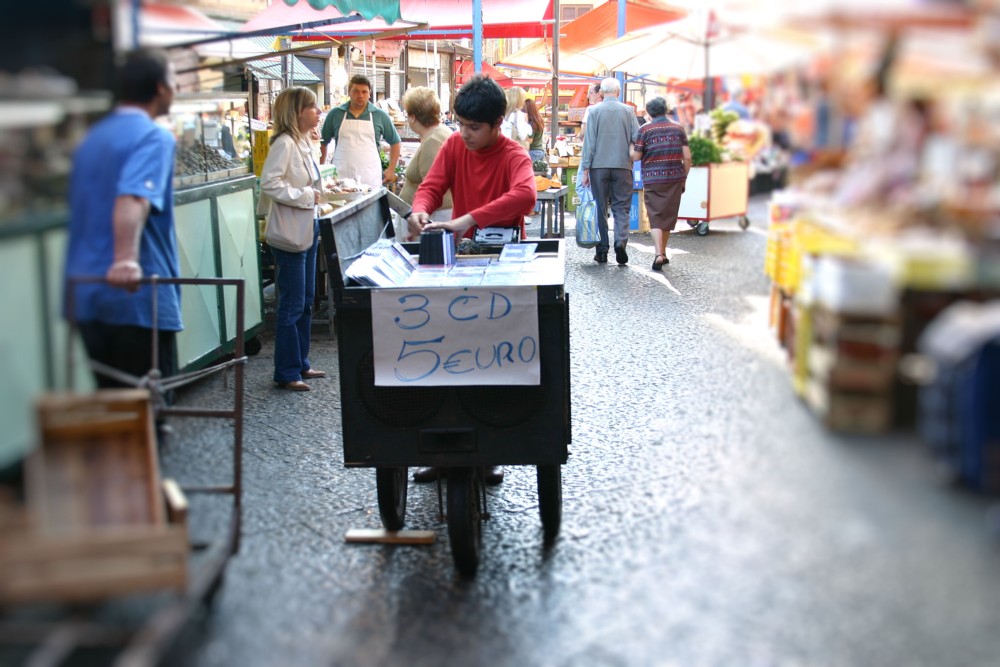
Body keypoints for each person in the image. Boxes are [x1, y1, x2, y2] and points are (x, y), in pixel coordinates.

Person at [407, 74, 537, 485]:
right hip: (461, 263)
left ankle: (491, 448)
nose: (464, 134)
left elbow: (526, 196)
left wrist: (467, 218)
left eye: (474, 127)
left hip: (503, 265)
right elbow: (430, 187)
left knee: (492, 356)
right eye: (460, 124)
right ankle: (444, 448)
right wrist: (420, 210)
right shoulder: (451, 146)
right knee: (447, 349)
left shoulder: (514, 154)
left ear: (498, 123)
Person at [64, 47, 181, 433]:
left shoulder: (93, 138)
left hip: (87, 295)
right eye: (174, 81)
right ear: (161, 88)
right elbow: (133, 198)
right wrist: (125, 259)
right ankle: (142, 493)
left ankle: (116, 492)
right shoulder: (153, 136)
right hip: (135, 296)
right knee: (146, 423)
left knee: (116, 417)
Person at [259, 87, 327, 392]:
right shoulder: (284, 143)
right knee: (292, 302)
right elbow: (269, 183)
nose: (317, 112)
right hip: (290, 232)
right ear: (296, 112)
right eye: (312, 107)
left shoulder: (303, 141)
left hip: (307, 227)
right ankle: (286, 371)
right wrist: (305, 197)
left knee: (307, 300)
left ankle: (301, 363)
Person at [580, 77, 640, 266]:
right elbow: (637, 138)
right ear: (619, 92)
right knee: (621, 207)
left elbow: (589, 142)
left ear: (602, 93)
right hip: (622, 165)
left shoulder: (594, 111)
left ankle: (602, 250)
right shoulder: (629, 111)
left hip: (599, 166)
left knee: (600, 207)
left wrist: (586, 169)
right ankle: (620, 241)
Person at [629, 96, 690, 271]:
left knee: (655, 216)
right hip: (674, 178)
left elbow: (636, 157)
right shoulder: (678, 129)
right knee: (669, 216)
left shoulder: (645, 130)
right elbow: (687, 157)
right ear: (666, 110)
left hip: (653, 179)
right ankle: (663, 252)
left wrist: (631, 146)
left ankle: (658, 254)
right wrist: (683, 176)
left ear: (649, 112)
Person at [319, 74, 401, 190]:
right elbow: (323, 142)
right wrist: (321, 169)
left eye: (364, 92)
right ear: (349, 92)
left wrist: (391, 169)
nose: (360, 95)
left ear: (370, 93)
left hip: (370, 175)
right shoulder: (335, 114)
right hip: (341, 174)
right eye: (356, 91)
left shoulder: (380, 115)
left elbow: (395, 142)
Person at [399, 86, 454, 228]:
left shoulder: (433, 141)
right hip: (429, 217)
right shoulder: (438, 133)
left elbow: (432, 190)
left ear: (412, 117)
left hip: (429, 220)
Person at [500, 86, 532, 150]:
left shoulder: (503, 113)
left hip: (503, 148)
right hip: (514, 150)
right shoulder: (519, 115)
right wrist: (528, 126)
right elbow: (523, 135)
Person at [524, 97, 546, 165]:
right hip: (540, 151)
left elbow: (529, 141)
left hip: (533, 152)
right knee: (538, 174)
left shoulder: (531, 124)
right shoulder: (539, 120)